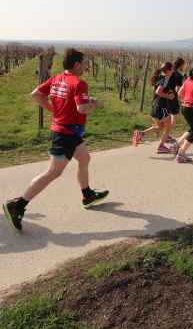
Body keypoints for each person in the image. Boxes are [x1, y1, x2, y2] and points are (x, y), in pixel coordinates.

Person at [3, 48, 107, 232]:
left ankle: (87, 195)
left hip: (68, 130)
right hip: (66, 133)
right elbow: (83, 108)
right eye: (84, 63)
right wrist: (95, 104)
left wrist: (53, 110)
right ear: (77, 64)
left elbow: (35, 94)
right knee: (52, 172)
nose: (85, 66)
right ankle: (17, 206)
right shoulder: (79, 83)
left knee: (84, 159)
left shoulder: (56, 79)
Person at [132, 62, 176, 152]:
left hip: (155, 106)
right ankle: (161, 146)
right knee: (169, 126)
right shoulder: (165, 79)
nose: (173, 71)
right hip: (161, 107)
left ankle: (141, 133)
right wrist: (169, 96)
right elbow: (158, 92)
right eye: (172, 69)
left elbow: (158, 89)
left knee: (159, 127)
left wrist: (168, 91)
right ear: (168, 70)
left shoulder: (159, 78)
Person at [165, 57, 185, 143]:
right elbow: (177, 89)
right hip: (172, 98)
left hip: (165, 96)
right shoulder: (178, 75)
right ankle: (166, 135)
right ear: (181, 65)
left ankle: (158, 127)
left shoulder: (170, 73)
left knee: (168, 116)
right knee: (175, 117)